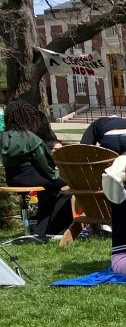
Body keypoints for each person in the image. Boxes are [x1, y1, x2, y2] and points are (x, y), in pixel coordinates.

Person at [0, 100, 72, 236]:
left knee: (48, 192)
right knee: (68, 188)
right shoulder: (31, 138)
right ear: (27, 117)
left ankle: (40, 229)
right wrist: (56, 177)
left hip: (12, 179)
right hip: (32, 178)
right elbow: (45, 165)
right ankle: (57, 229)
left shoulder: (3, 137)